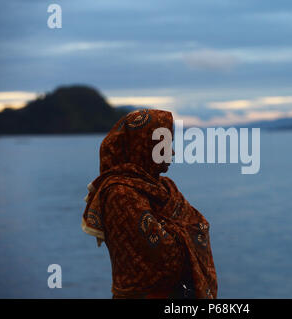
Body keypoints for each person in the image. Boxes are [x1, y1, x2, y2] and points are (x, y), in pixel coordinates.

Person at [81, 109, 217, 299]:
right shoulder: (120, 193)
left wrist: (177, 232)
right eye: (165, 145)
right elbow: (167, 256)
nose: (173, 152)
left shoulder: (166, 187)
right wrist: (186, 232)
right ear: (143, 146)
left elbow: (200, 227)